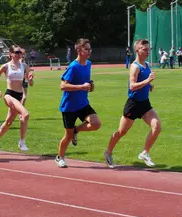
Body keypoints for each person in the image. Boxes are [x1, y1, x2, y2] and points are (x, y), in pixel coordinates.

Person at [104, 39, 161, 168]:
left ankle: (145, 153)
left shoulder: (146, 64)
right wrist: (147, 81)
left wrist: (149, 86)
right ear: (137, 50)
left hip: (144, 104)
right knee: (121, 132)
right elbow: (132, 86)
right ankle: (108, 153)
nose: (147, 51)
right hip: (133, 104)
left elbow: (144, 83)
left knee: (156, 126)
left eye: (148, 49)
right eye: (144, 49)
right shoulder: (135, 66)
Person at [55, 38, 101, 168]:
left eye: (90, 49)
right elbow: (63, 86)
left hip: (83, 104)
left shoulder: (89, 64)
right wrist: (81, 87)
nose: (89, 51)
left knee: (96, 124)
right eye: (86, 49)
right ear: (79, 50)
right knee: (67, 136)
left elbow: (87, 81)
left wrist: (91, 85)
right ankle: (60, 157)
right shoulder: (73, 66)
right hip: (69, 107)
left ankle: (76, 130)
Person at [0, 45, 34, 151]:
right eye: (16, 52)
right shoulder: (6, 66)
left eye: (20, 52)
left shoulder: (24, 66)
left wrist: (30, 79)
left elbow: (31, 83)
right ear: (10, 54)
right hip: (9, 95)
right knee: (25, 114)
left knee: (9, 122)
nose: (18, 54)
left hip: (19, 95)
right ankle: (22, 142)